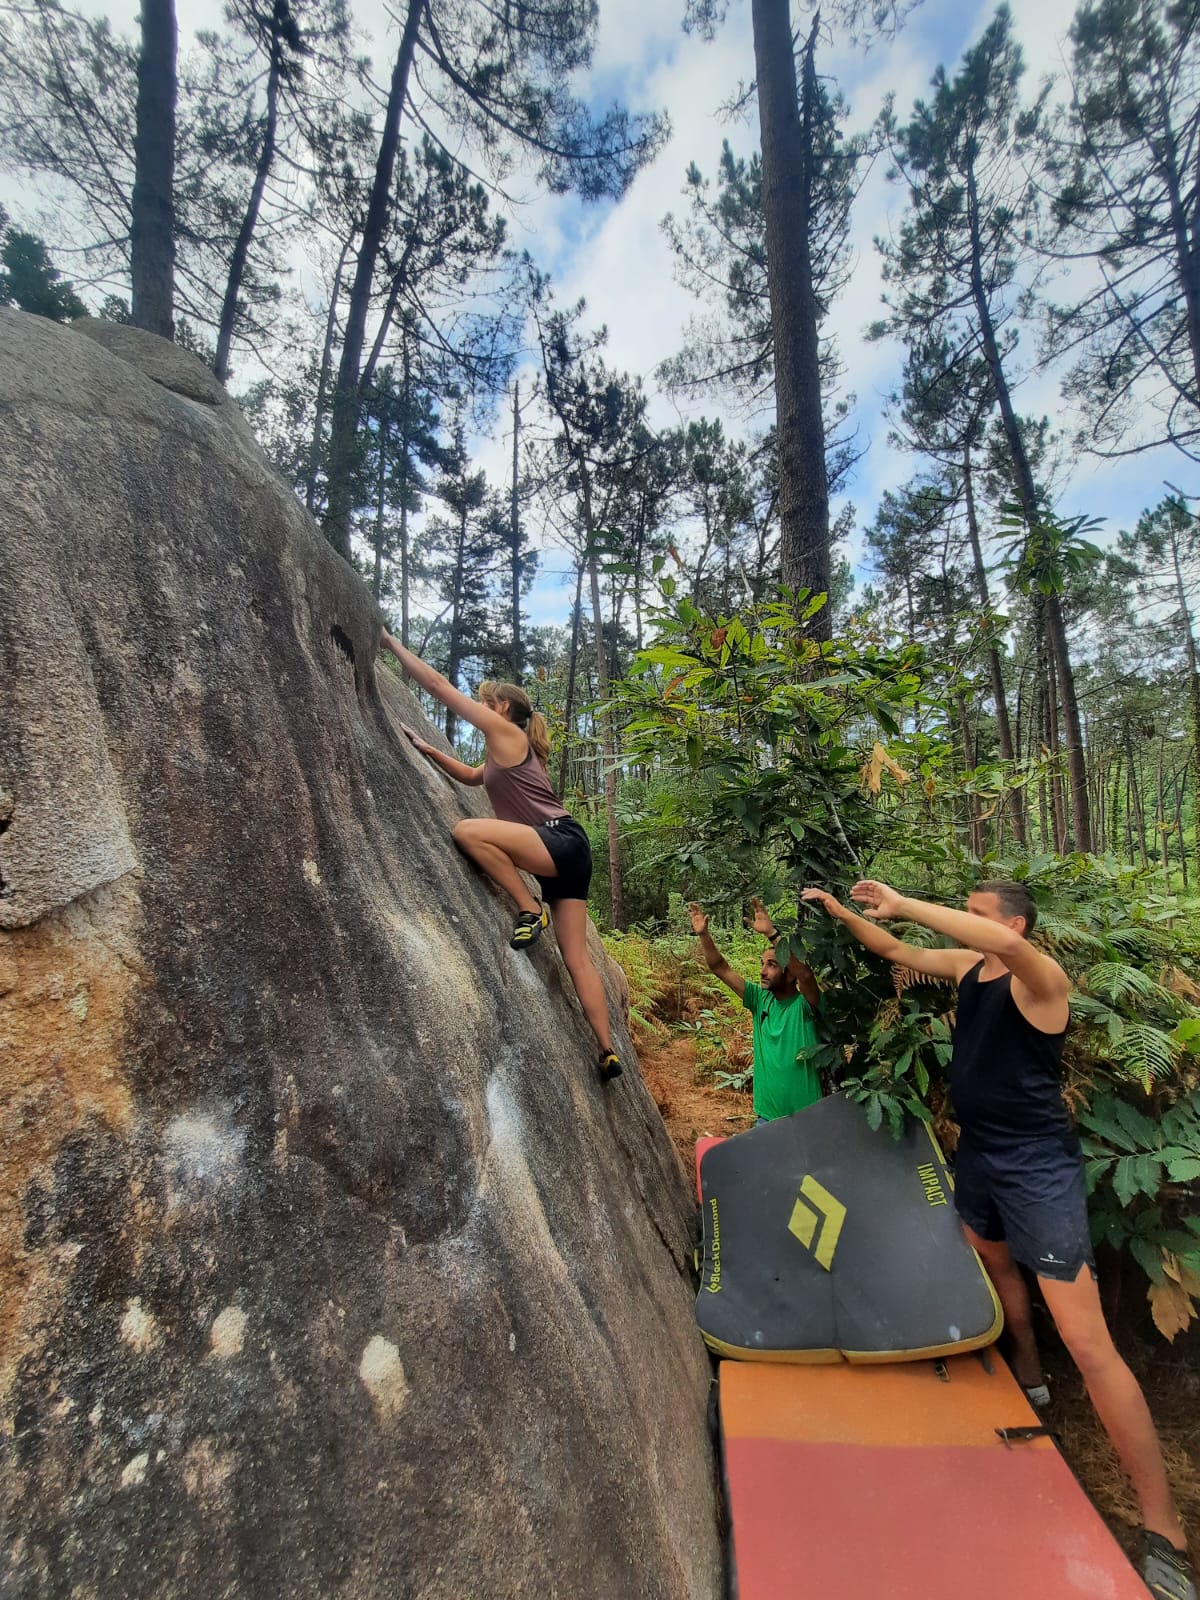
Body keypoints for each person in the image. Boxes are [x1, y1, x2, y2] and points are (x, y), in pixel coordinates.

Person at [801, 877, 1195, 1600]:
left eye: (975, 918)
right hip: (980, 1152)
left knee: (1090, 1342)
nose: (964, 928)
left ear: (1013, 924)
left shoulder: (1042, 981)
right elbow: (896, 947)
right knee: (989, 1256)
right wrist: (845, 914)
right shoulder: (968, 970)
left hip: (1037, 1165)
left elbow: (1002, 946)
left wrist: (908, 902)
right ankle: (1028, 1369)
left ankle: (1164, 1527)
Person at [379, 628, 622, 1082]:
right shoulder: (507, 755)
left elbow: (438, 687)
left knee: (466, 832)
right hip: (568, 851)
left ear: (502, 708)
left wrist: (390, 643)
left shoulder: (504, 732)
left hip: (555, 840)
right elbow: (474, 777)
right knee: (577, 959)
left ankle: (529, 910)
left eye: (487, 702)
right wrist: (429, 750)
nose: (483, 707)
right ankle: (607, 1050)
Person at [688, 898, 822, 1123]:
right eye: (762, 964)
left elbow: (807, 977)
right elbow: (720, 967)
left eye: (772, 964)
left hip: (808, 1119)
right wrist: (703, 935)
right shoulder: (760, 1000)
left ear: (790, 974)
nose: (762, 971)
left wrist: (772, 933)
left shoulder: (805, 1006)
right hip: (766, 1118)